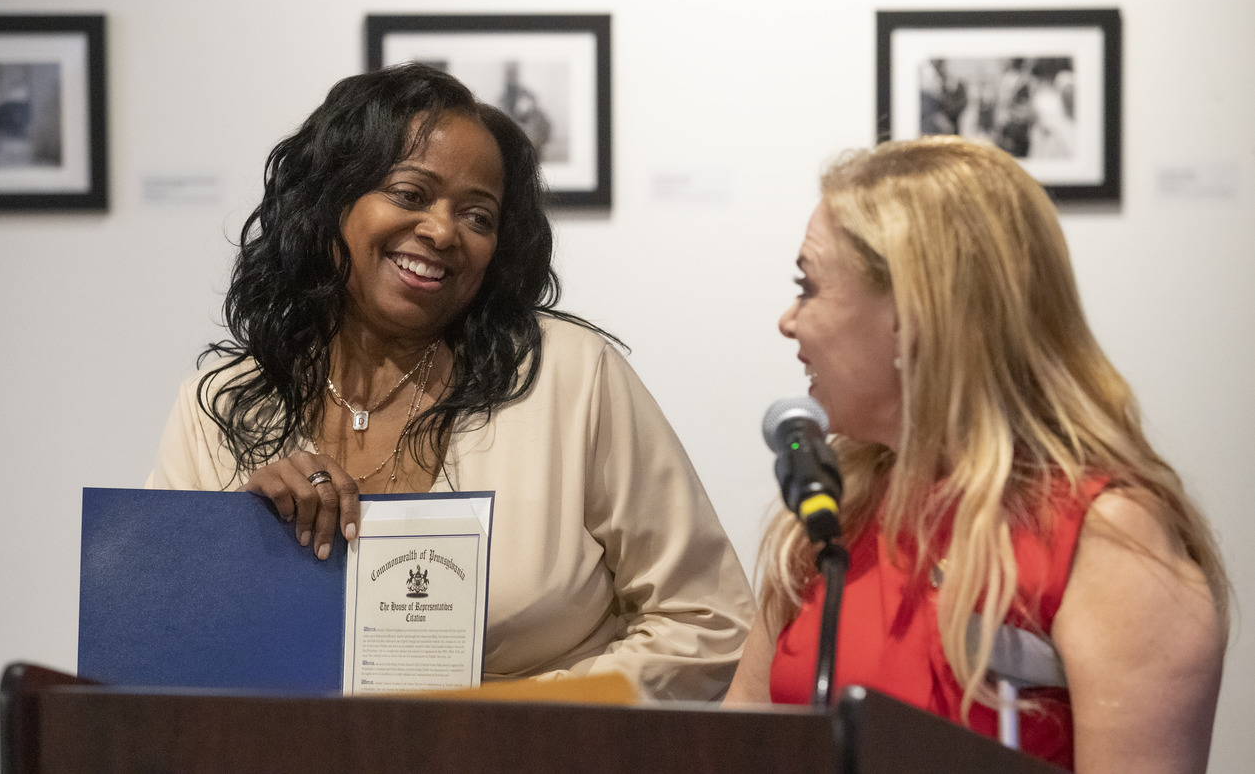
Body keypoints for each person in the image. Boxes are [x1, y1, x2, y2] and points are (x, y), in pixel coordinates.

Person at [147, 63, 755, 700]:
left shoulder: (573, 378)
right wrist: (240, 539)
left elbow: (708, 621)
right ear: (330, 201)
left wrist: (504, 720)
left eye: (478, 216)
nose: (442, 231)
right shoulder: (219, 408)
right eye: (410, 195)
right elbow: (162, 649)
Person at [724, 136, 1228, 772]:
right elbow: (735, 749)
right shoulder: (832, 518)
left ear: (912, 314)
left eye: (810, 286)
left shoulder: (1111, 543)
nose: (788, 320)